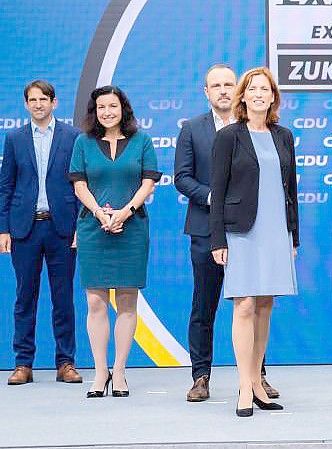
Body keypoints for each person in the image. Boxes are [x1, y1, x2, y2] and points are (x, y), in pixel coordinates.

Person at [175, 64, 280, 402]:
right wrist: (215, 199)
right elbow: (182, 176)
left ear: (239, 89)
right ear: (206, 92)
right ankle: (200, 376)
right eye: (215, 85)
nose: (222, 90)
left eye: (228, 84)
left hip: (251, 232)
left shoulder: (256, 127)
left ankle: (256, 377)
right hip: (207, 230)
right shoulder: (192, 129)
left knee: (255, 302)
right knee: (204, 305)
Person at [209, 67, 296, 417]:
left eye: (266, 89)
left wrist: (294, 235)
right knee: (244, 305)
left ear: (273, 97)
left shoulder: (284, 136)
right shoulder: (230, 136)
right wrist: (218, 238)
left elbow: (291, 190)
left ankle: (259, 383)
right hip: (241, 231)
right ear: (243, 96)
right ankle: (245, 385)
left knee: (264, 306)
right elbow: (218, 190)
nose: (260, 94)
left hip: (277, 231)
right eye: (253, 89)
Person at [68, 85, 161, 398]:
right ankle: (100, 371)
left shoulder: (142, 140)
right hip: (93, 228)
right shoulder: (83, 142)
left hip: (131, 228)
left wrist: (125, 212)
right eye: (101, 107)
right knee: (95, 301)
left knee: (126, 301)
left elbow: (148, 183)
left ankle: (119, 371)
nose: (107, 112)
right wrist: (100, 214)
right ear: (94, 112)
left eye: (113, 106)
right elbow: (79, 184)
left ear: (124, 109)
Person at [0, 80, 82, 385]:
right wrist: (3, 228)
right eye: (32, 100)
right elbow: (6, 185)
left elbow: (80, 186)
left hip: (62, 228)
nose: (38, 104)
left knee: (63, 298)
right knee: (24, 298)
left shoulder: (73, 137)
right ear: (25, 105)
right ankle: (23, 363)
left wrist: (78, 227)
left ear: (54, 102)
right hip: (25, 228)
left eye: (43, 99)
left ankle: (66, 362)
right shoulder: (14, 138)